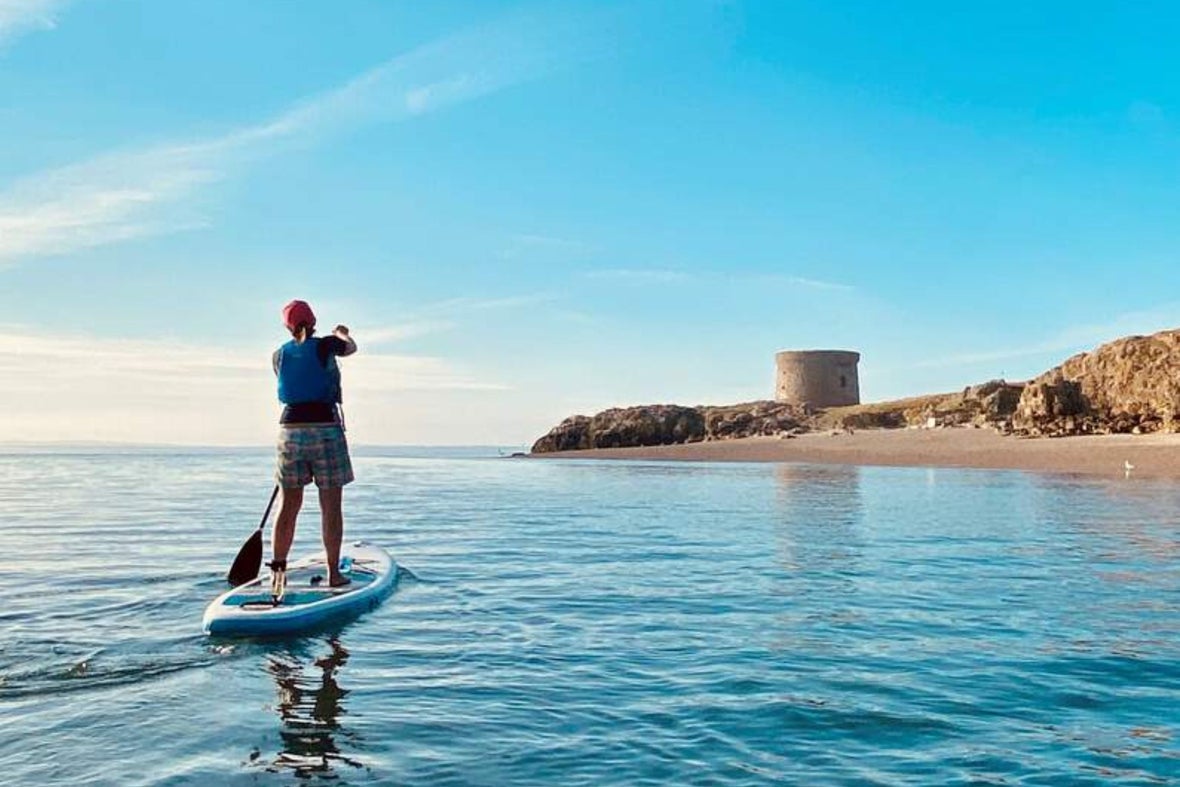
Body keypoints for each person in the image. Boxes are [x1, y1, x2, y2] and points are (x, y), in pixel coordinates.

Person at [270, 299, 357, 592]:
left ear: (287, 326)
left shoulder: (278, 355)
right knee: (330, 506)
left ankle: (277, 574)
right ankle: (334, 574)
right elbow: (351, 347)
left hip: (289, 431)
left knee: (288, 506)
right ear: (313, 320)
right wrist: (342, 332)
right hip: (325, 430)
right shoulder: (326, 345)